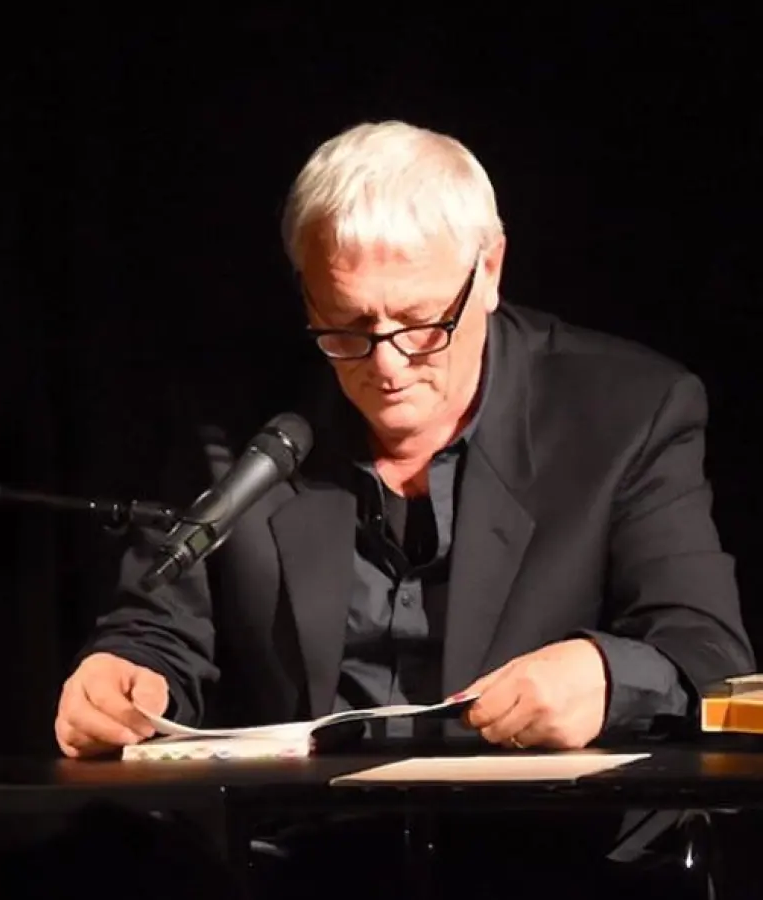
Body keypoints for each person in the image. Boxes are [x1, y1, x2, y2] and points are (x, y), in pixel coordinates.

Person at [53, 120, 754, 897]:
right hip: (302, 864)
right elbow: (159, 626)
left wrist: (608, 676)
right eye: (348, 326)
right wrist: (127, 676)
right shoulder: (236, 416)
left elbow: (710, 654)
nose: (386, 365)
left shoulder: (625, 411)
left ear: (489, 270)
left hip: (560, 861)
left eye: (422, 325)